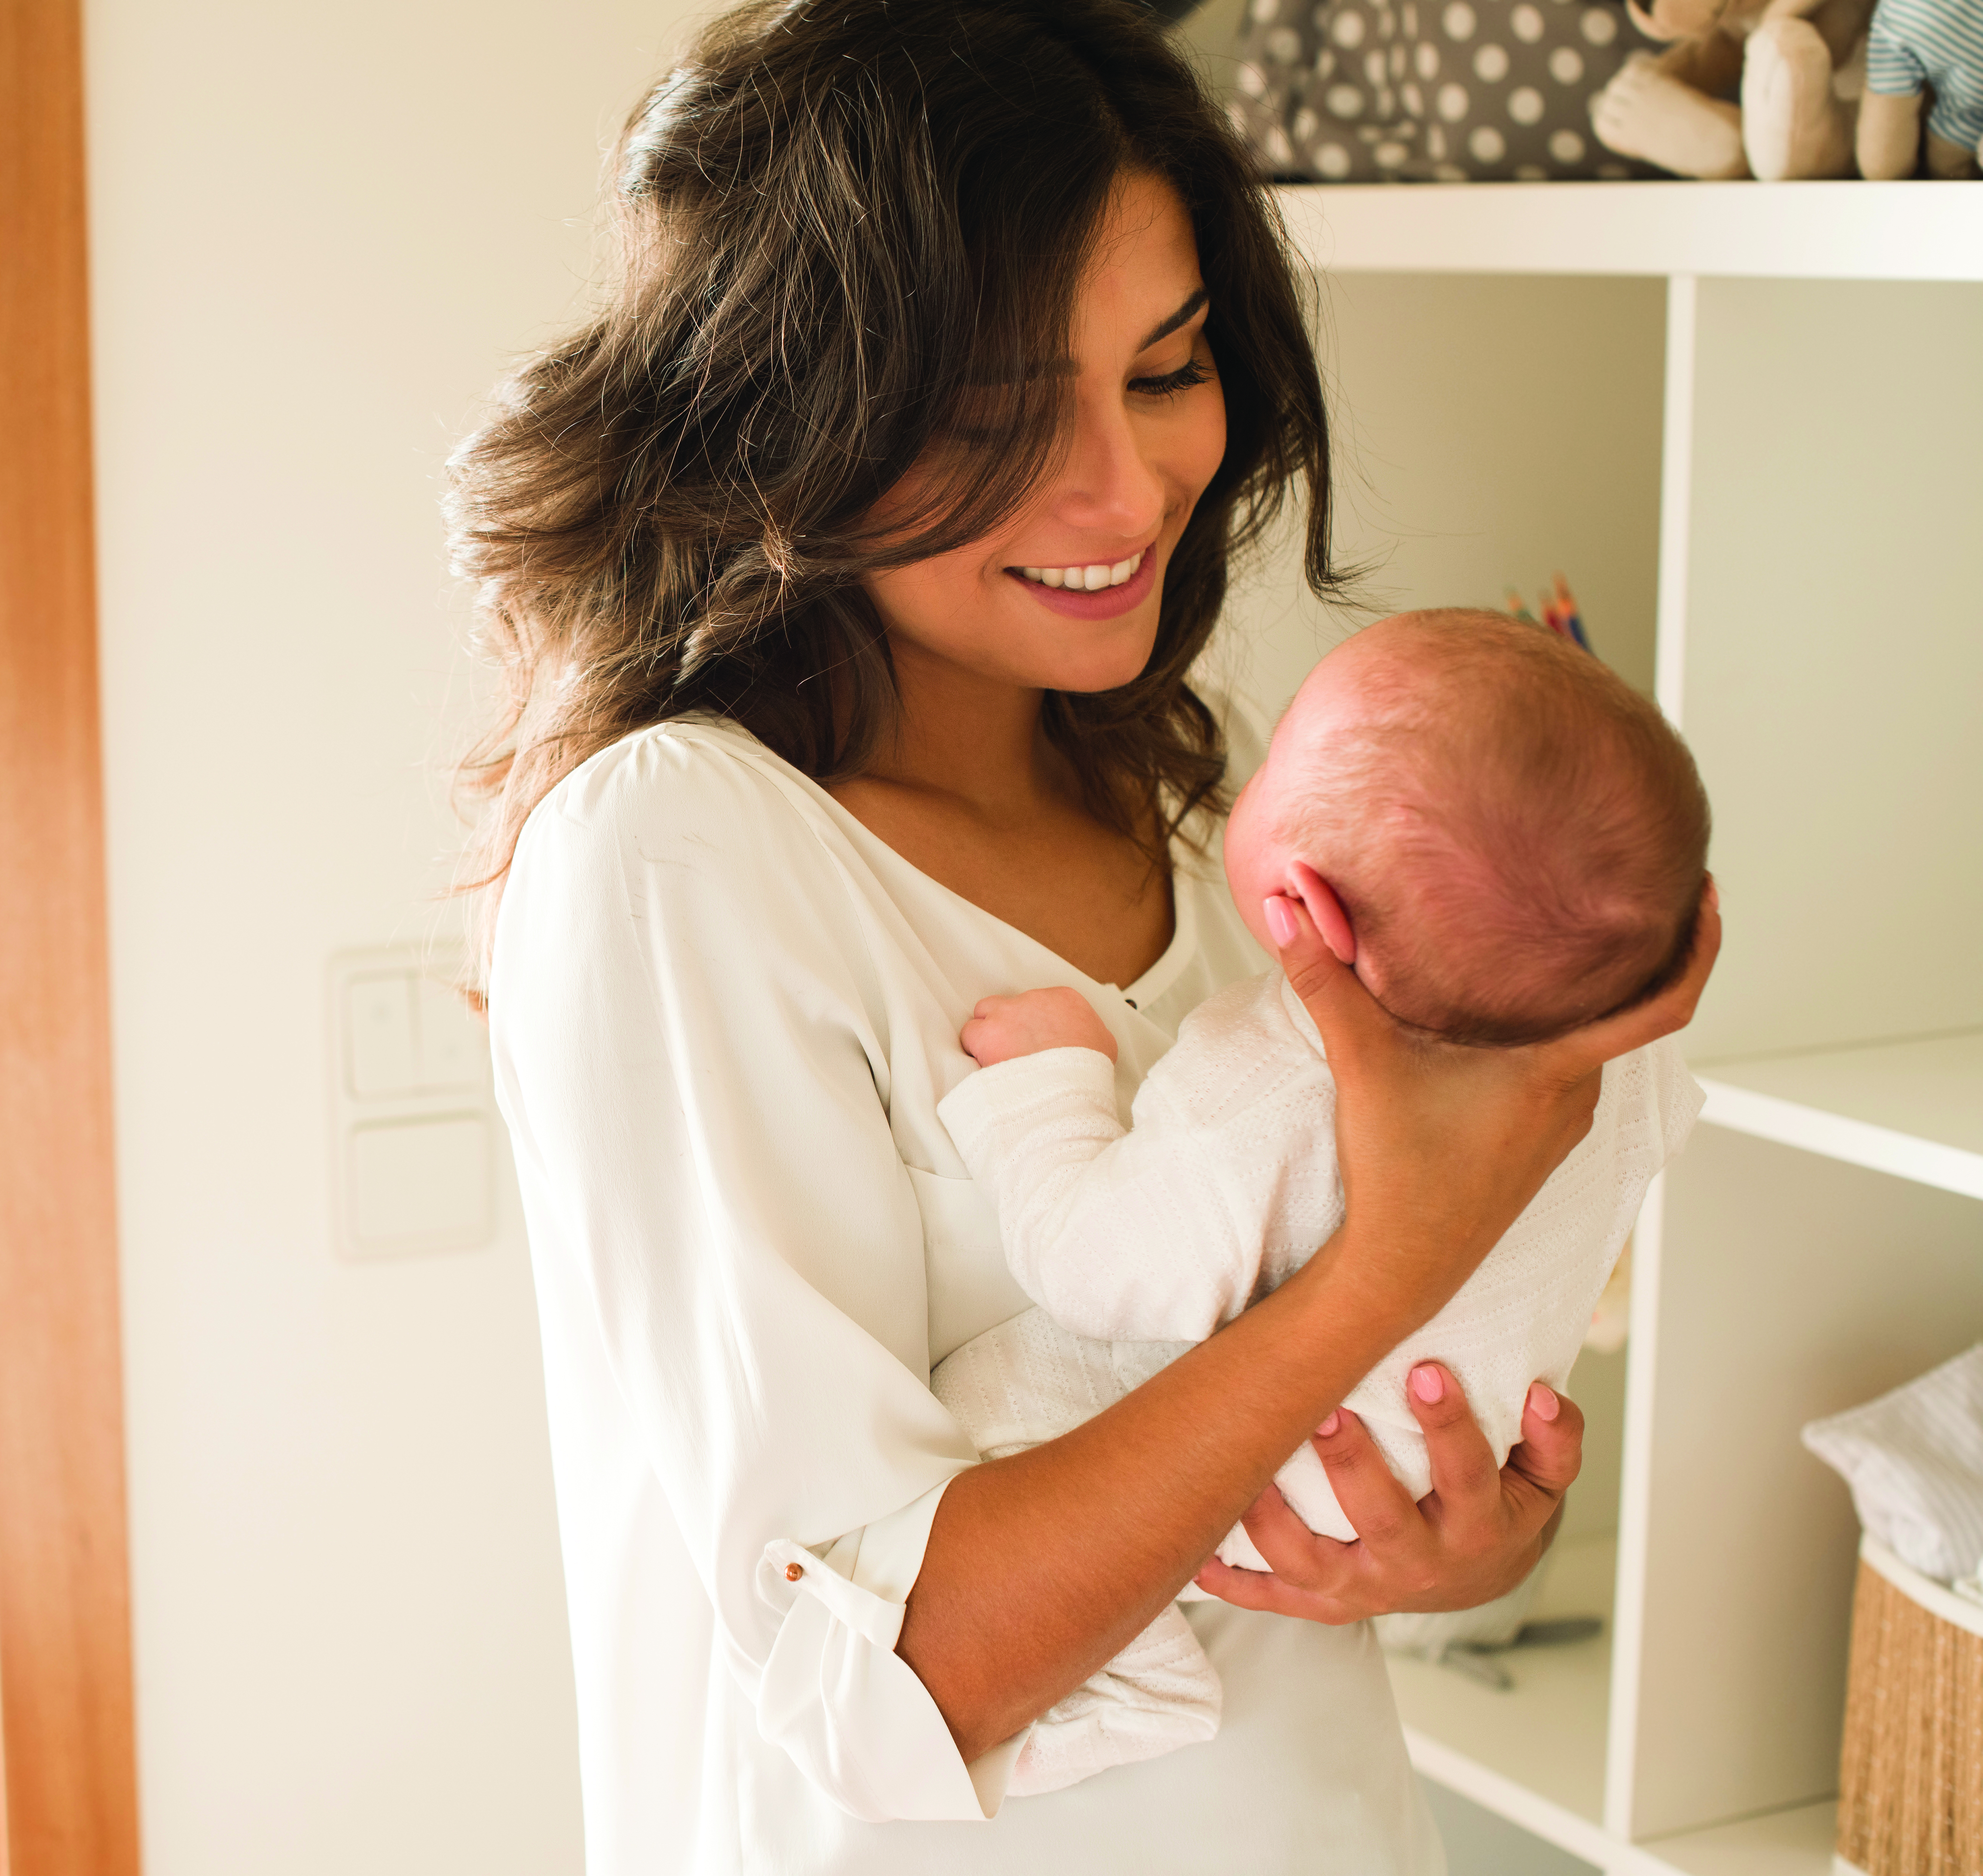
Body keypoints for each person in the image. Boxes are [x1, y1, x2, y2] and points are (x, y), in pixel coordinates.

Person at [449, 2, 1720, 1868]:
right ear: (789, 410)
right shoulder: (679, 858)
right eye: (996, 420)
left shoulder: (1219, 814)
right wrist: (1387, 1265)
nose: (1125, 491)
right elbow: (901, 1668)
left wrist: (1464, 1527)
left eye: (1169, 365)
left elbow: (1310, 1472)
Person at [925, 609, 1713, 1793]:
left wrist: (1047, 1088)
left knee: (989, 1408)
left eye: (1282, 741)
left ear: (1309, 905)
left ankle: (1134, 1674)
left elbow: (1096, 1263)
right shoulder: (1628, 1064)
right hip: (1438, 1462)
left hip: (1288, 1489)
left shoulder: (1278, 1071)